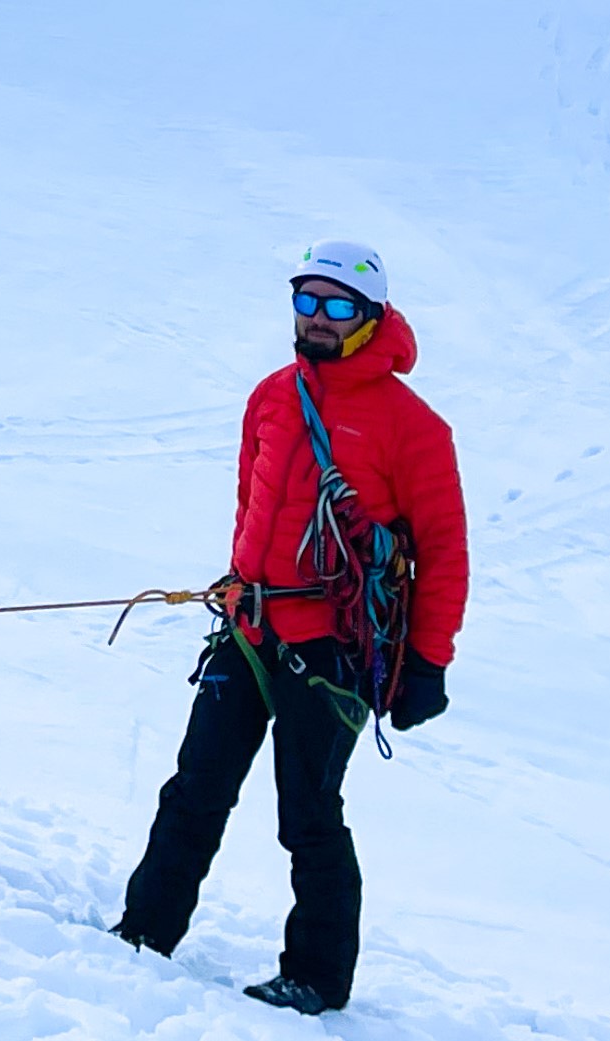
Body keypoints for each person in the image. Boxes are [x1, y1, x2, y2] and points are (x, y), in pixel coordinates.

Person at [114, 240, 469, 1015]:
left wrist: (427, 662)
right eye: (306, 300)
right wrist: (239, 580)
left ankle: (315, 977)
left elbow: (444, 551)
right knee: (195, 786)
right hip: (250, 625)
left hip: (332, 647)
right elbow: (251, 501)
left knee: (308, 812)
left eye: (337, 306)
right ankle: (145, 930)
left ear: (371, 319)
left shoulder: (415, 427)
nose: (316, 318)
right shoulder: (273, 395)